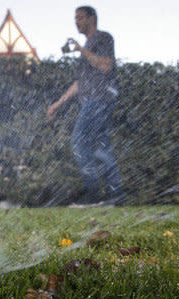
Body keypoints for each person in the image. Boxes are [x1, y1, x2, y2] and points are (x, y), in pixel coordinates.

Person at [47, 6, 125, 207]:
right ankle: (115, 195)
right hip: (93, 100)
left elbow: (106, 66)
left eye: (80, 17)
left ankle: (93, 194)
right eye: (75, 18)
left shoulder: (103, 38)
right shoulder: (88, 46)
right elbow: (80, 83)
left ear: (92, 18)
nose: (76, 21)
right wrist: (58, 103)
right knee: (101, 147)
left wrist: (82, 50)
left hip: (99, 99)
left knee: (79, 141)